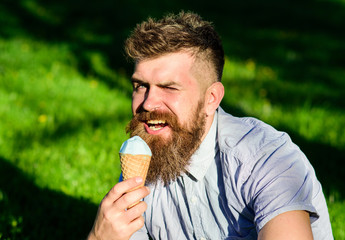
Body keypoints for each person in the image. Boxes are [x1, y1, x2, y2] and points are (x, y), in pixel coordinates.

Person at [88, 11, 333, 240]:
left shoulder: (266, 159)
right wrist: (98, 237)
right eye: (140, 86)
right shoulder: (145, 162)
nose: (148, 103)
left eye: (169, 87)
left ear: (211, 99)